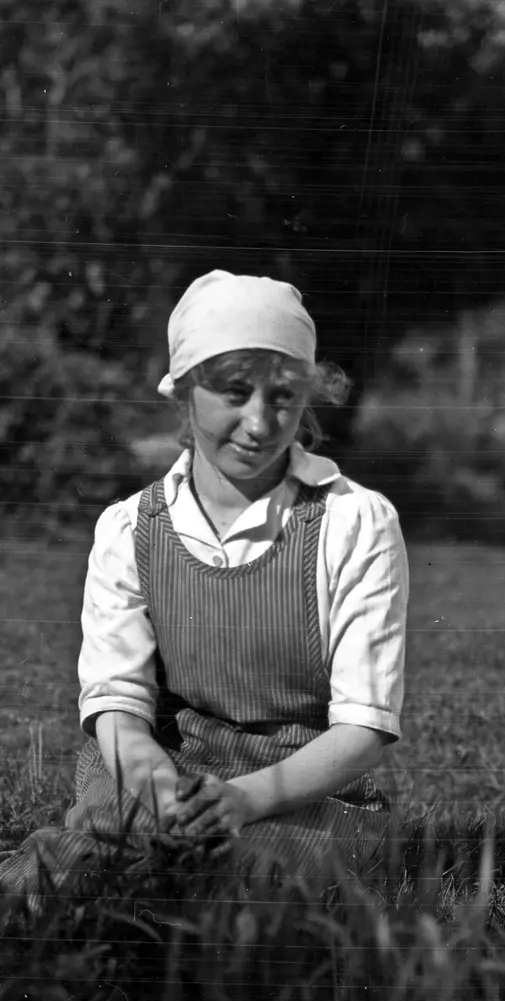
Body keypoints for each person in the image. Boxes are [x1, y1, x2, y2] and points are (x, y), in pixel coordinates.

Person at [0, 270, 409, 907]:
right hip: (159, 774)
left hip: (305, 793)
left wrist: (244, 800)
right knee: (74, 871)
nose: (259, 423)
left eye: (282, 396)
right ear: (185, 392)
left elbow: (363, 728)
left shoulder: (354, 523)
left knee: (244, 885)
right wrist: (164, 791)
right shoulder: (131, 529)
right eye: (234, 392)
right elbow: (117, 705)